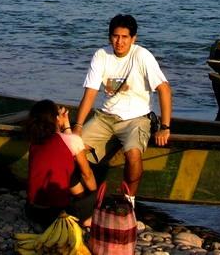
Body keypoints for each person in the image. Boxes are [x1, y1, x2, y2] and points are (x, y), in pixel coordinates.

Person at [71, 14, 171, 205]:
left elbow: (164, 89)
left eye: (125, 37)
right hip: (105, 117)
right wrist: (78, 126)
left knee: (133, 154)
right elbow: (90, 94)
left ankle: (128, 201)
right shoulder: (101, 55)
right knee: (73, 149)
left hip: (136, 119)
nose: (120, 42)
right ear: (110, 37)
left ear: (133, 38)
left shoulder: (142, 56)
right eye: (116, 36)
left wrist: (165, 127)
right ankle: (84, 196)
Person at [24, 99, 98, 229]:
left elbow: (67, 147)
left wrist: (66, 126)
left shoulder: (34, 141)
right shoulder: (72, 141)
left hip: (32, 210)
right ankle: (86, 218)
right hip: (57, 215)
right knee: (84, 176)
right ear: (57, 118)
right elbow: (87, 175)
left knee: (65, 170)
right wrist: (94, 200)